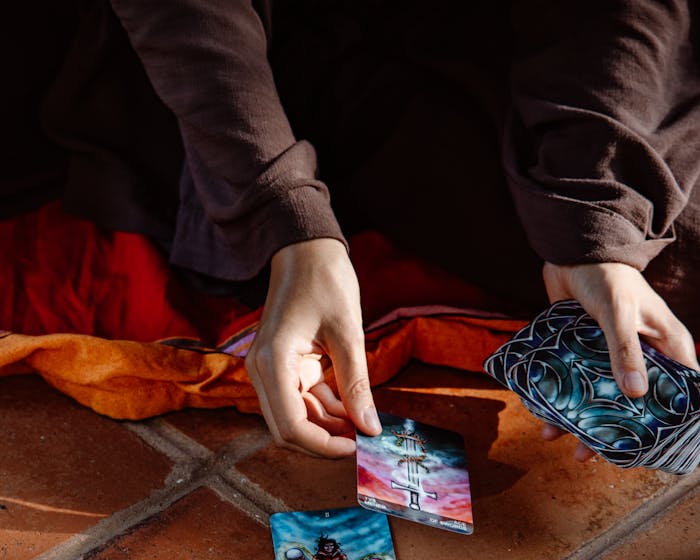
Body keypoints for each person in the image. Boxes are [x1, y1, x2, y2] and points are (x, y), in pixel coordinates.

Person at [6, 1, 699, 459]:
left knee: (662, 253)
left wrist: (595, 222)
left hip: (499, 31)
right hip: (264, 44)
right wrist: (284, 218)